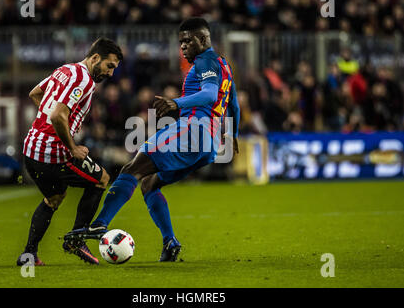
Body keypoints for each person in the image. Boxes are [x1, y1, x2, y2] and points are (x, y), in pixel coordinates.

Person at [65, 17, 240, 262]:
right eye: (180, 42)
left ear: (202, 39)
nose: (183, 47)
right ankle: (170, 242)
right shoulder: (224, 64)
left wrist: (175, 103)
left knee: (132, 168)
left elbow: (211, 94)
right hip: (208, 144)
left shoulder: (206, 61)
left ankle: (99, 224)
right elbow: (232, 102)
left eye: (187, 41)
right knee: (149, 183)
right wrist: (233, 134)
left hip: (191, 131)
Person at [17, 37, 123, 266]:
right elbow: (57, 115)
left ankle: (29, 254)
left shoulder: (65, 70)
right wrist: (72, 146)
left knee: (53, 198)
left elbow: (35, 94)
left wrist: (61, 120)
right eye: (109, 66)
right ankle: (76, 239)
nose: (111, 74)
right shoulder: (83, 79)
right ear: (95, 58)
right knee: (102, 179)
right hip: (52, 153)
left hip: (31, 150)